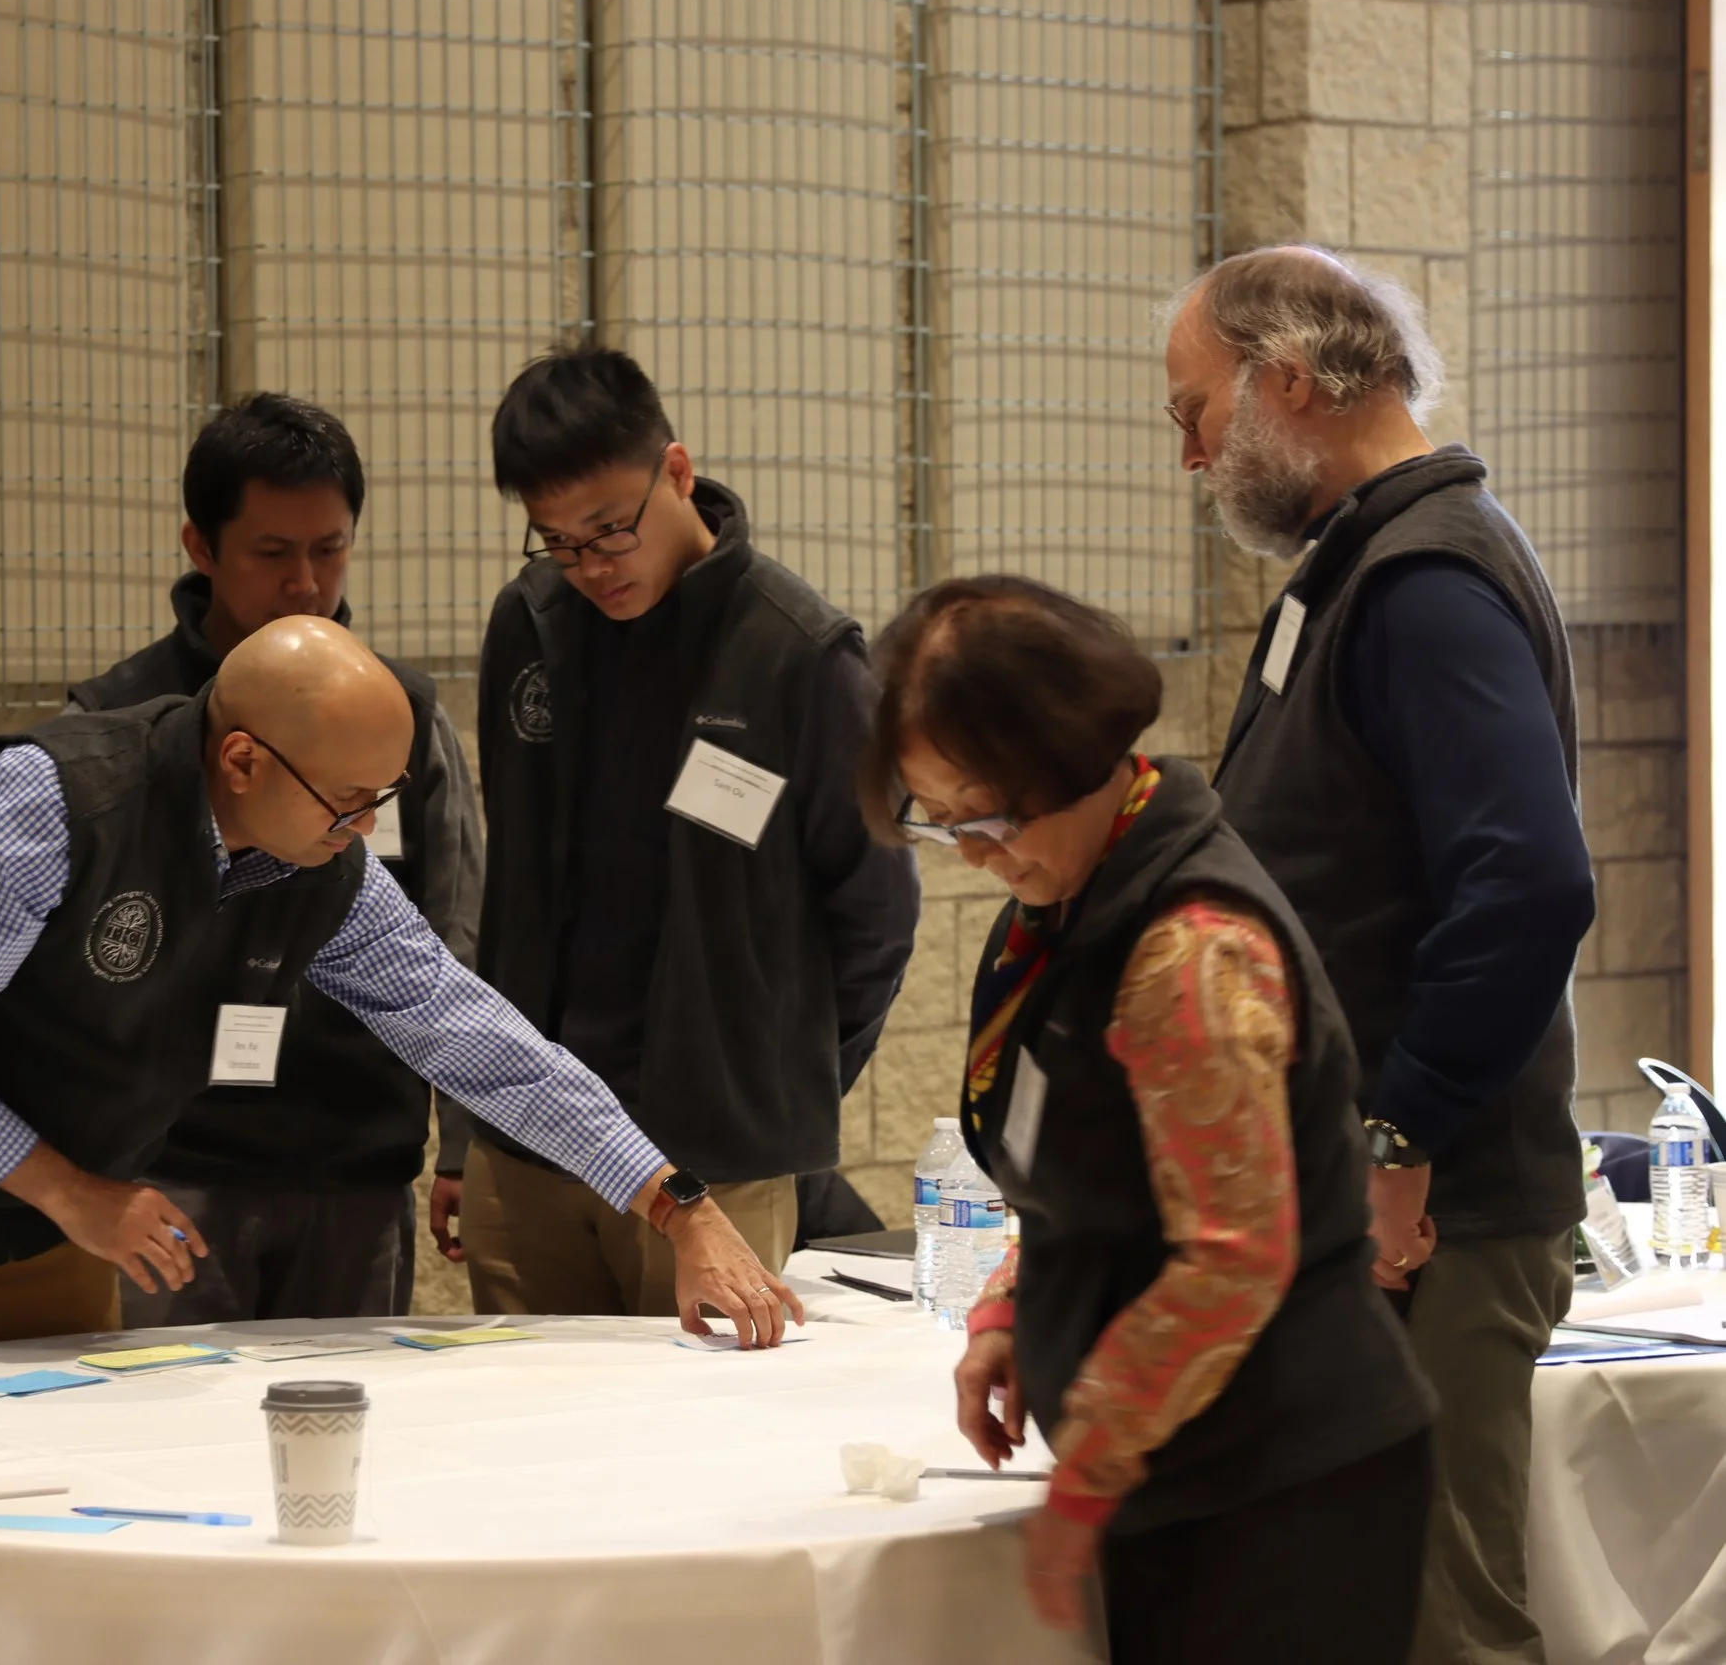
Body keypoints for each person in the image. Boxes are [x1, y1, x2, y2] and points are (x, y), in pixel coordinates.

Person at [0, 614, 802, 1348]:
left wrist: (681, 1206)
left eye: (379, 800)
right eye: (347, 800)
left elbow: (467, 1030)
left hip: (47, 1239)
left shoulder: (317, 868)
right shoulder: (44, 803)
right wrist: (74, 1192)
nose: (363, 825)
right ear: (241, 758)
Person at [869, 575, 1435, 1663]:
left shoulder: (1188, 948)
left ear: (1076, 762)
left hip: (1284, 1472)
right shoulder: (1064, 905)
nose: (975, 854)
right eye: (939, 823)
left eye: (986, 816)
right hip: (1184, 1460)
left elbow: (1230, 1256)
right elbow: (1098, 1169)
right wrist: (1013, 1310)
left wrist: (1092, 1459)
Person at [1166, 245, 1596, 1665]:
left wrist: (1401, 1132)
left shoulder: (1424, 579)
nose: (1192, 458)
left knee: (1437, 1625)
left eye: (1197, 413)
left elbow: (1529, 885)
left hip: (1440, 1216)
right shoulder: (1351, 569)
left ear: (1290, 381)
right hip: (1371, 1198)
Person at [451, 344, 918, 1316]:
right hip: (529, 1146)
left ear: (676, 472)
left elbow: (874, 914)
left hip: (715, 1159)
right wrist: (464, 1129)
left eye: (609, 530)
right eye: (557, 540)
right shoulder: (530, 623)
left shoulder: (798, 655)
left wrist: (770, 1081)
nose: (590, 567)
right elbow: (512, 897)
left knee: (699, 1444)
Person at [69, 394, 481, 1325]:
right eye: (272, 552)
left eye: (329, 549)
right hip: (172, 1174)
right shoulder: (112, 725)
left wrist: (459, 1141)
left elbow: (451, 934)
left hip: (355, 1161)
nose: (305, 582)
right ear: (202, 546)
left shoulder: (396, 717)